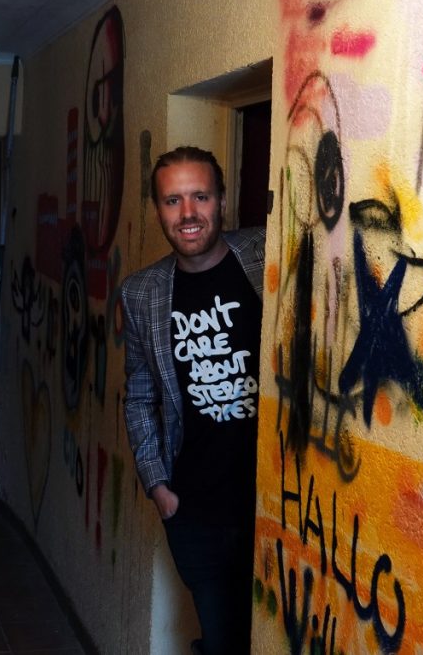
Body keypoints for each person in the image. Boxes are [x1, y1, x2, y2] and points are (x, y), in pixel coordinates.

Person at [121, 146, 264, 654]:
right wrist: (158, 486)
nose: (188, 213)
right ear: (158, 210)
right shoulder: (141, 293)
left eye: (200, 196)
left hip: (271, 503)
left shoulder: (266, 253)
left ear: (221, 200)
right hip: (195, 511)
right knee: (224, 640)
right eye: (172, 200)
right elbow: (139, 394)